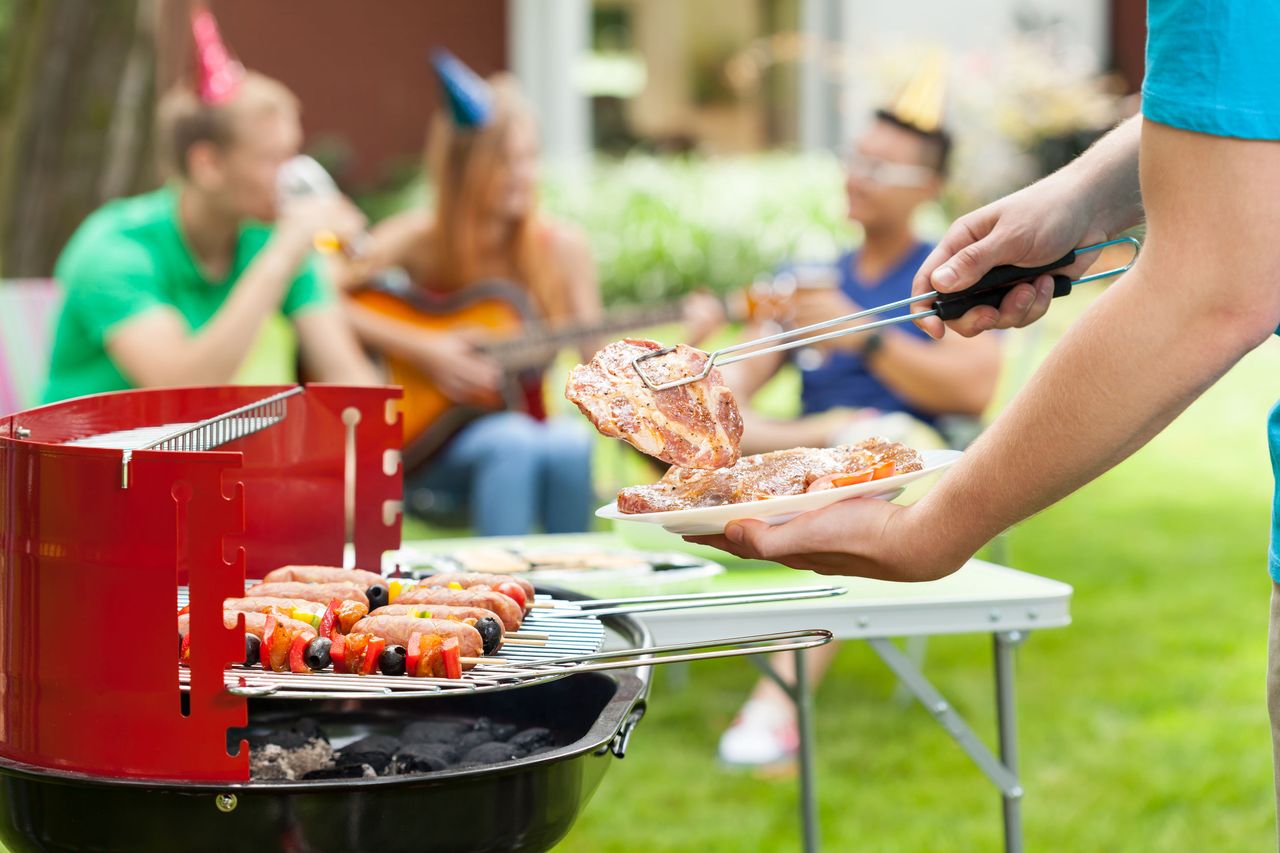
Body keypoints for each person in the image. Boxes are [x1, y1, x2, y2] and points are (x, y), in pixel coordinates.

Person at [687, 0, 1280, 828]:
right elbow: (1246, 125)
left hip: (889, 443)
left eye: (884, 167)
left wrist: (928, 528)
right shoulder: (808, 276)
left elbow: (1216, 284)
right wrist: (1080, 195)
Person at [716, 99, 1001, 767]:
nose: (857, 175)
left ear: (928, 188)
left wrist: (861, 334)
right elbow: (728, 397)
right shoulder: (808, 280)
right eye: (855, 159)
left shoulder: (950, 279)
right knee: (723, 440)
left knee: (857, 465)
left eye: (879, 165)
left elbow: (973, 389)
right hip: (810, 451)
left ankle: (775, 705)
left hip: (901, 462)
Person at [43, 8, 377, 403]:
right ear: (208, 165)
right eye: (273, 159)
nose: (293, 176)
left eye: (294, 154)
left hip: (198, 459)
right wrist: (285, 251)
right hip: (88, 457)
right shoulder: (114, 248)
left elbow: (352, 383)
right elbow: (180, 389)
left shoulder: (265, 236)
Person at [338, 51, 599, 536]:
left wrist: (675, 352)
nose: (522, 173)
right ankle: (493, 595)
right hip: (435, 443)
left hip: (530, 423)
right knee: (513, 442)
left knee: (570, 443)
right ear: (464, 168)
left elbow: (599, 359)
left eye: (528, 158)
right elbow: (321, 293)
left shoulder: (561, 247)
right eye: (503, 161)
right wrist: (424, 348)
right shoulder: (422, 239)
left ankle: (571, 594)